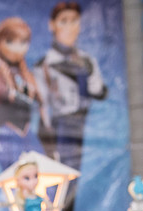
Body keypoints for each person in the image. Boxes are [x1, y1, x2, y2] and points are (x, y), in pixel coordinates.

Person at [34, 2, 107, 171]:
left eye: (74, 20)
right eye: (63, 21)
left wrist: (89, 73)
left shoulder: (87, 60)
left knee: (81, 173)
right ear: (52, 25)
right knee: (63, 175)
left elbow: (98, 91)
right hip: (61, 128)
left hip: (86, 125)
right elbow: (42, 104)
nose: (69, 27)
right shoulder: (44, 65)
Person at [0, 17, 47, 172]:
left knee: (41, 178)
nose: (17, 48)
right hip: (7, 139)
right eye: (10, 41)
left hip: (28, 136)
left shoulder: (29, 77)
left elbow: (41, 107)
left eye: (23, 42)